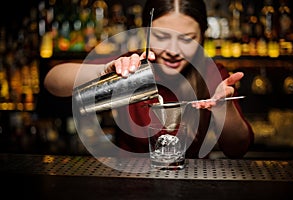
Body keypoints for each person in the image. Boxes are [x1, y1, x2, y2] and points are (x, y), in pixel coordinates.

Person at [44, 0, 254, 159]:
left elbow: (238, 149)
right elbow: (52, 82)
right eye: (161, 37)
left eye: (187, 39)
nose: (173, 51)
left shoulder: (211, 73)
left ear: (203, 37)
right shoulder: (132, 65)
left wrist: (222, 108)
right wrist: (103, 71)